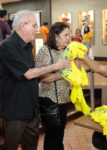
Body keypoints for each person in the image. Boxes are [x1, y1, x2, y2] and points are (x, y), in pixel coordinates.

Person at [0, 10, 71, 150]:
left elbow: (35, 75)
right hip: (15, 110)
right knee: (11, 146)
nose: (37, 29)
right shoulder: (7, 46)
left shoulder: (27, 46)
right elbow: (28, 74)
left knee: (31, 145)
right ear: (22, 25)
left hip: (31, 108)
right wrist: (56, 66)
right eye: (34, 25)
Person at [36, 22, 71, 150]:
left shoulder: (66, 51)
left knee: (60, 133)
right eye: (66, 35)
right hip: (49, 99)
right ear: (56, 36)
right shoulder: (45, 51)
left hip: (63, 98)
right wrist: (64, 74)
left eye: (69, 35)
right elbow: (43, 78)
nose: (69, 38)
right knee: (51, 136)